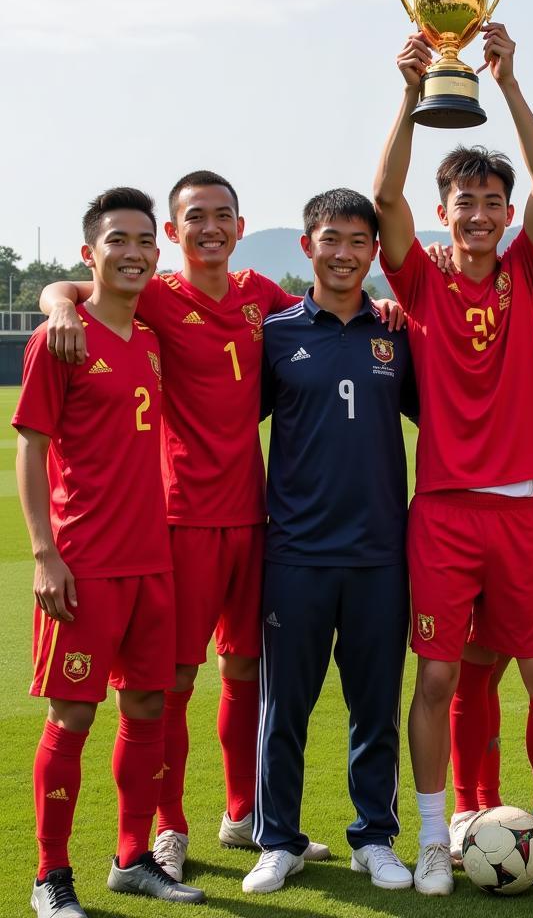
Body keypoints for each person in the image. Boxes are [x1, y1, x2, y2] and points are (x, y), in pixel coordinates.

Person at [39, 171, 329, 880]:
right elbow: (72, 290)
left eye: (222, 216)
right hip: (177, 520)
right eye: (194, 217)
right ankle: (167, 827)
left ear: (238, 225)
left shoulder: (263, 295)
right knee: (169, 681)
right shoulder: (159, 298)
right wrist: (58, 306)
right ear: (174, 233)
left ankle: (244, 816)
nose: (209, 227)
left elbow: (330, 306)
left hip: (254, 516)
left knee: (245, 667)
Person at [373, 23, 533, 896]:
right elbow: (383, 198)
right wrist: (411, 96)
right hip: (446, 508)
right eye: (468, 202)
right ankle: (429, 833)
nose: (484, 214)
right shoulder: (417, 280)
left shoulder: (529, 271)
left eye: (494, 200)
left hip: (522, 508)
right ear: (446, 211)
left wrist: (511, 82)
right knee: (442, 672)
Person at [14, 187, 205, 916]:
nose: (133, 251)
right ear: (90, 251)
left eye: (144, 240)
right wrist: (43, 552)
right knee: (73, 717)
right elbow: (30, 450)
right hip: (84, 564)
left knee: (149, 706)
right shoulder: (58, 338)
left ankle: (131, 857)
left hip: (152, 560)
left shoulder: (150, 339)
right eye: (117, 239)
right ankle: (50, 877)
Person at [241, 188, 418, 894]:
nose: (344, 253)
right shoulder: (277, 333)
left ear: (375, 250)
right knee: (285, 707)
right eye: (330, 239)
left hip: (380, 555)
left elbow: (457, 414)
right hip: (296, 557)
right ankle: (277, 840)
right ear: (306, 246)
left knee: (374, 707)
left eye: (357, 241)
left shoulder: (400, 333)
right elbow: (224, 426)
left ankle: (373, 836)